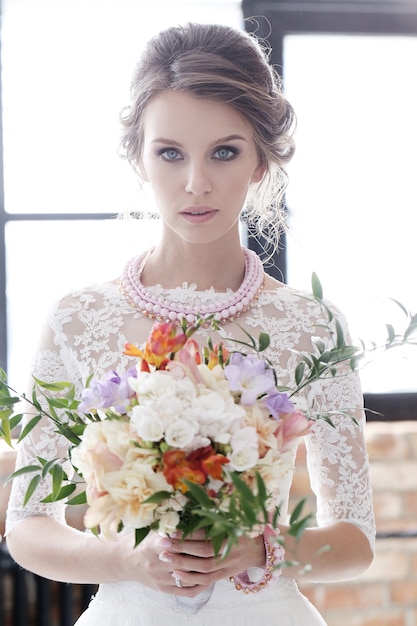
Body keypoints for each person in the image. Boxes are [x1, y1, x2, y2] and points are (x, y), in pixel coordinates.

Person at [5, 22, 375, 626]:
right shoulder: (78, 320)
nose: (196, 183)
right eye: (170, 152)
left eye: (224, 152)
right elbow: (26, 527)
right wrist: (125, 560)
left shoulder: (312, 326)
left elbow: (355, 540)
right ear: (139, 157)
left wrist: (259, 550)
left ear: (260, 163)